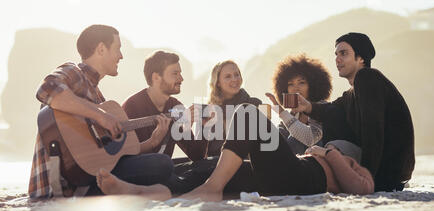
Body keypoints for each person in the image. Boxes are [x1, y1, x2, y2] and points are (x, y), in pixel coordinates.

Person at [96, 105, 374, 201]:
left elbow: (362, 188)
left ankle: (213, 187)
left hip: (303, 178)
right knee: (200, 170)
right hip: (271, 178)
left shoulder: (352, 161)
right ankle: (140, 193)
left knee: (249, 115)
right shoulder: (329, 150)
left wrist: (329, 153)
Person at [29, 25, 174, 199]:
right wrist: (101, 116)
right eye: (118, 49)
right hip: (61, 186)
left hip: (86, 181)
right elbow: (47, 88)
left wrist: (152, 142)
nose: (121, 56)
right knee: (162, 165)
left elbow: (112, 158)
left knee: (169, 167)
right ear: (101, 49)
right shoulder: (74, 72)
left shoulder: (99, 97)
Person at [292, 32, 415, 192]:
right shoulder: (353, 92)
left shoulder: (367, 77)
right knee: (333, 113)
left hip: (387, 170)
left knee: (333, 123)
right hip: (390, 172)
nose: (337, 59)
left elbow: (373, 131)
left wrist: (367, 179)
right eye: (336, 54)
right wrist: (307, 107)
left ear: (361, 58)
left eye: (343, 53)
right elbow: (330, 109)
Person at [121, 50, 208, 162]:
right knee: (164, 163)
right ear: (156, 77)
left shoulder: (176, 106)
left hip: (165, 168)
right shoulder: (132, 106)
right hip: (143, 171)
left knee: (210, 164)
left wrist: (203, 126)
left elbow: (198, 157)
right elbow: (129, 157)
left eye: (180, 73)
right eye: (175, 74)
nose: (181, 79)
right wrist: (156, 139)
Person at [265, 53, 332, 154]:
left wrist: (281, 112)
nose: (296, 88)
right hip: (294, 164)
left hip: (316, 164)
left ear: (312, 85)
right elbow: (278, 138)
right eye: (290, 84)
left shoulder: (321, 107)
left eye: (301, 82)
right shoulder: (293, 113)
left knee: (294, 138)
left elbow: (309, 139)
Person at [205, 60, 262, 156]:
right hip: (214, 163)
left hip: (246, 163)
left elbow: (262, 143)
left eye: (237, 74)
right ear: (218, 83)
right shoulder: (209, 110)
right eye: (228, 76)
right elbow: (204, 152)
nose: (234, 79)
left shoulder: (254, 104)